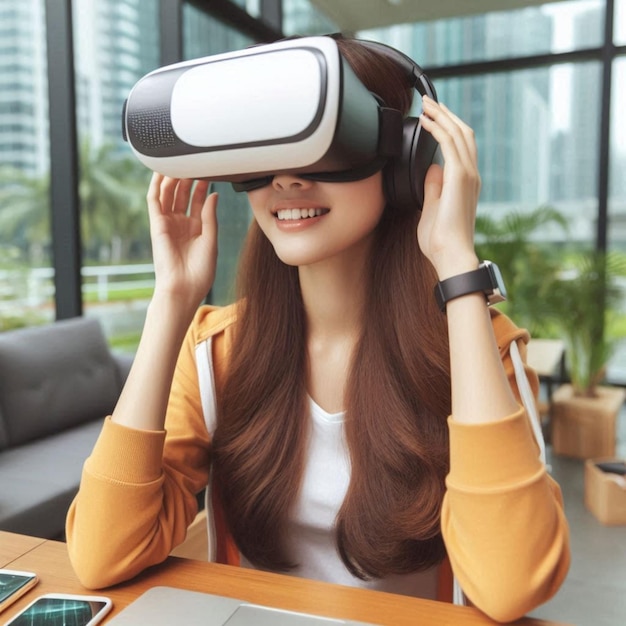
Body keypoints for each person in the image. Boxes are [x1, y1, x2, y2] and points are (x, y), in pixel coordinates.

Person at [66, 34, 570, 623]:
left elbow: (511, 586)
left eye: (327, 145)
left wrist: (458, 266)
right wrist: (170, 301)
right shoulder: (217, 354)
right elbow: (101, 555)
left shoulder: (479, 352)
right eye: (268, 148)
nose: (288, 179)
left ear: (405, 161)